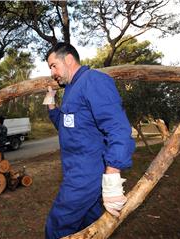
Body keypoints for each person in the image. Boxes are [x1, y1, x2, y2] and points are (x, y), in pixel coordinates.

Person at [43, 42, 135, 239]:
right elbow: (66, 127)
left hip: (86, 175)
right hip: (73, 170)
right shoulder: (70, 90)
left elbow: (118, 128)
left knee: (57, 227)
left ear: (68, 59)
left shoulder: (93, 80)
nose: (52, 73)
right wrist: (51, 102)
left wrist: (112, 176)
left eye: (53, 66)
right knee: (90, 228)